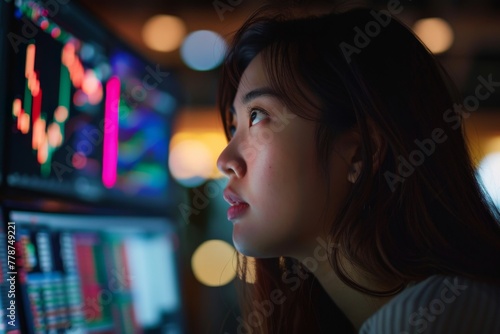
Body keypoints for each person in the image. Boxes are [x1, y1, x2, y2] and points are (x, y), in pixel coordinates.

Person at [216, 5, 500, 334]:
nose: (225, 160)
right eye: (235, 125)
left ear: (360, 153)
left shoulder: (434, 319)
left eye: (257, 116)